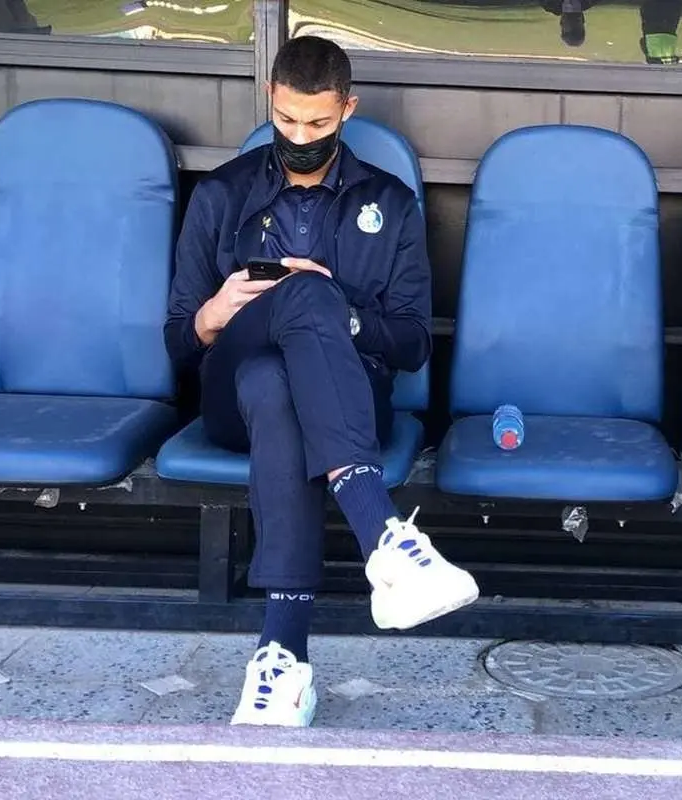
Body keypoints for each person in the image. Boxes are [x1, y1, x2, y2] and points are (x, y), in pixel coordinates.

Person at [164, 35, 478, 728]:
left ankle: (281, 659)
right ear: (269, 102)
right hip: (229, 396)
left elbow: (413, 343)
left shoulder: (389, 201)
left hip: (346, 397)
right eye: (286, 120)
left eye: (318, 122)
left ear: (348, 110)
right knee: (289, 319)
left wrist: (345, 316)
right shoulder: (222, 193)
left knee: (280, 380)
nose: (300, 137)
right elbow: (178, 342)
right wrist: (216, 311)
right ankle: (383, 535)